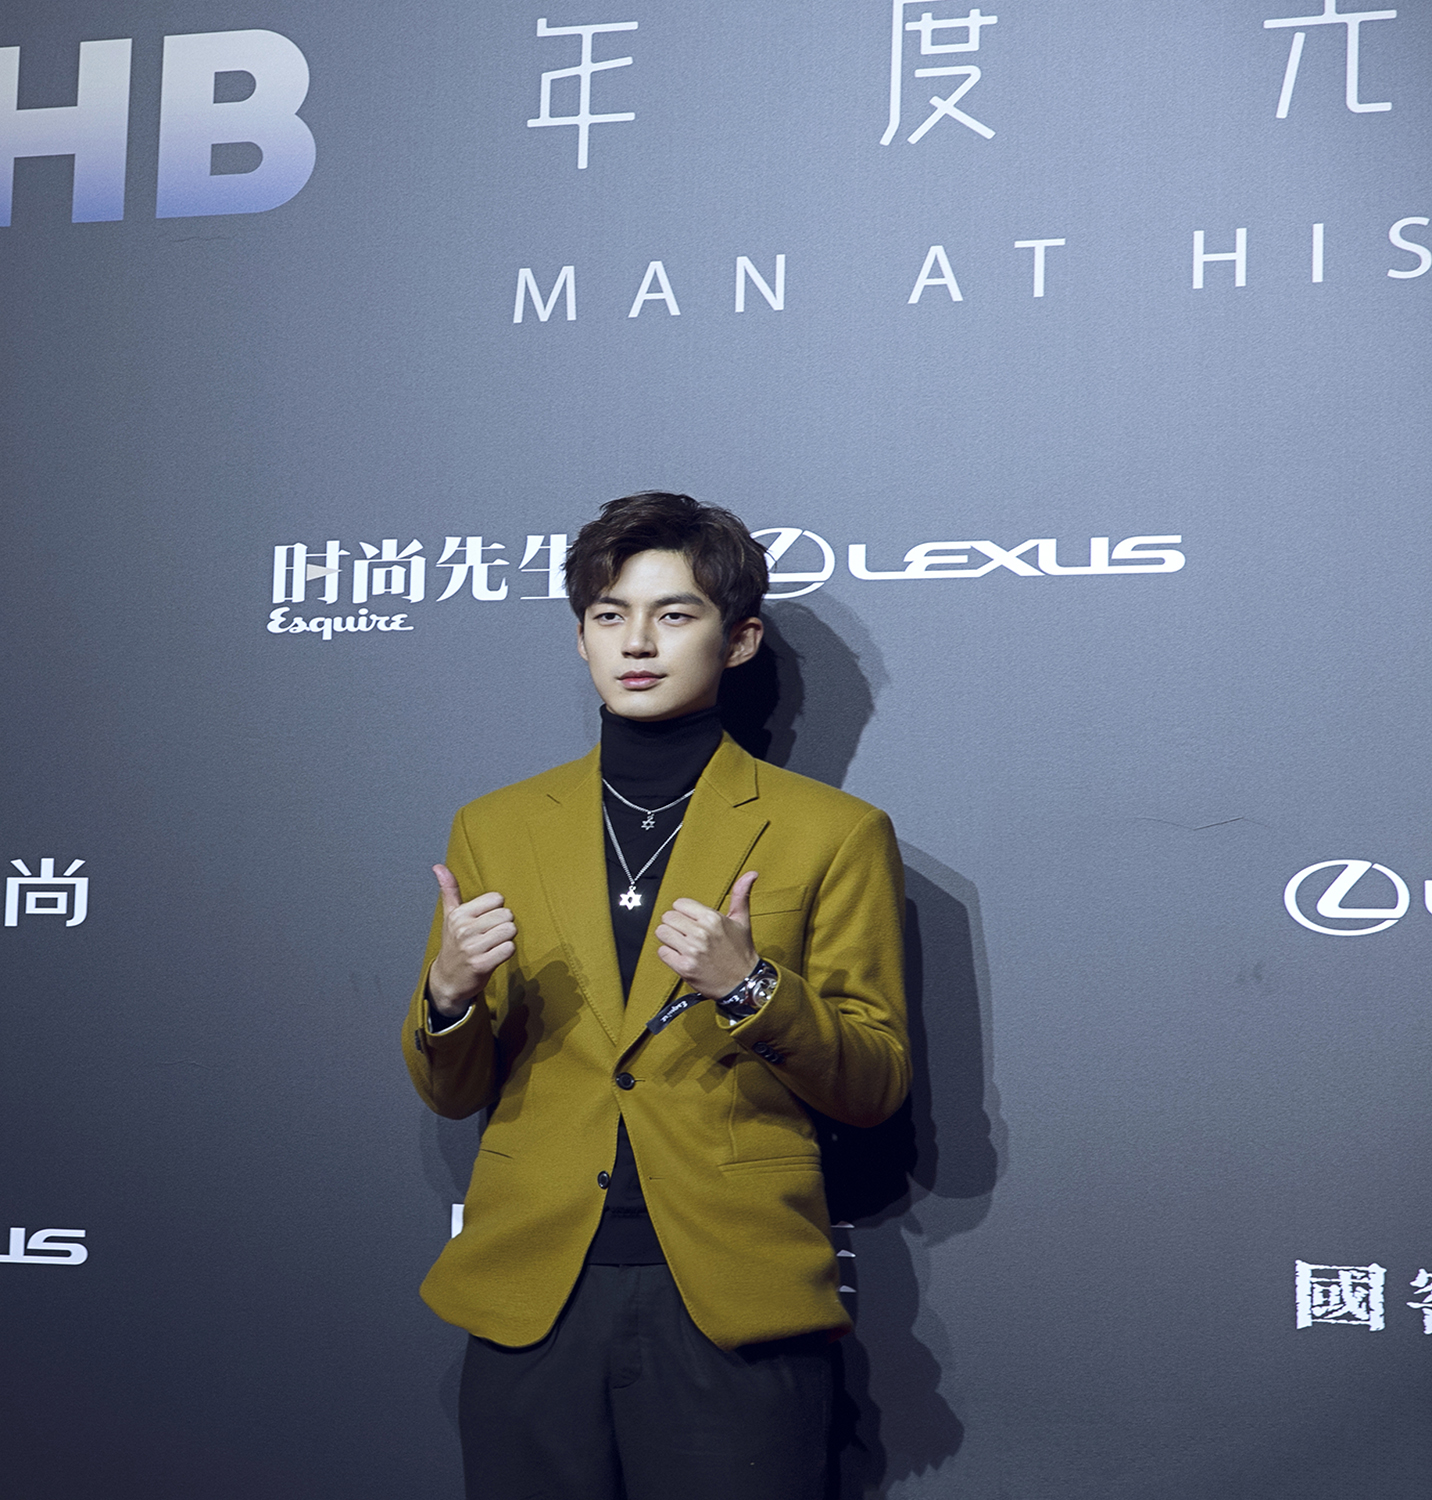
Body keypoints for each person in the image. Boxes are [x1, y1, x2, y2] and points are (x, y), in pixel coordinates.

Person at [401, 492, 909, 1500]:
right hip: (533, 1292)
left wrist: (751, 989)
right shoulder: (495, 826)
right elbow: (452, 1092)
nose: (636, 642)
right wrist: (448, 997)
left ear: (740, 639)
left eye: (674, 615)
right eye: (609, 615)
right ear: (581, 638)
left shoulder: (832, 833)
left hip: (730, 1293)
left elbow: (874, 1082)